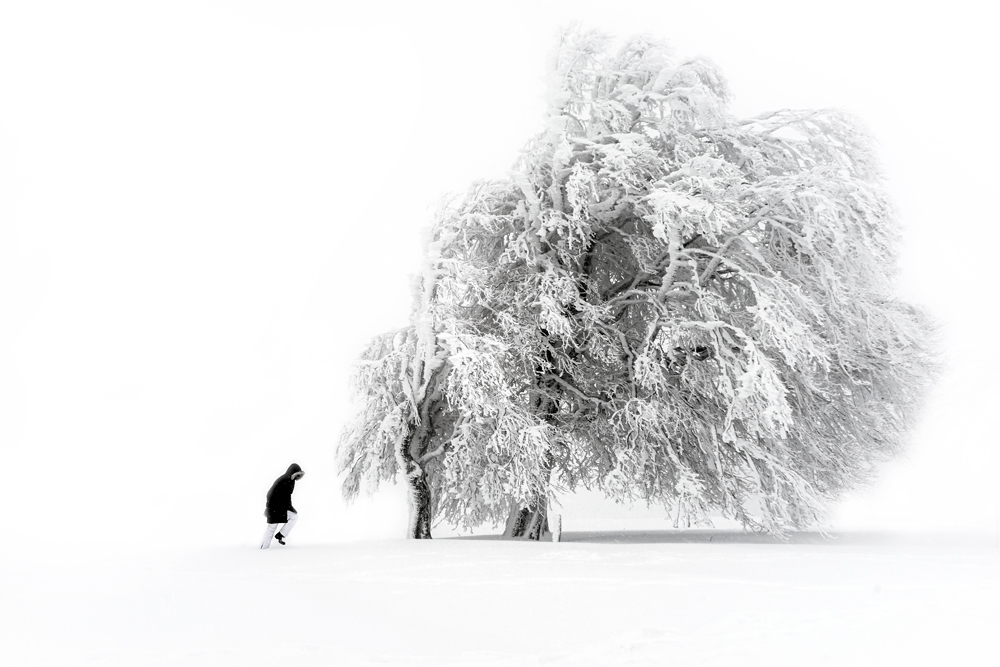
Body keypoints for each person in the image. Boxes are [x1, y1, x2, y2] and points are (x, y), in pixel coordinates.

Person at [260, 463, 304, 549]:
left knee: (294, 517)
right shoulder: (282, 480)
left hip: (282, 508)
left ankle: (280, 535)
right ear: (292, 472)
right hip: (274, 507)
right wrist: (268, 507)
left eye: (298, 475)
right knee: (271, 528)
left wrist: (291, 508)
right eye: (296, 474)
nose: (297, 477)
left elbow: (288, 496)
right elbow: (269, 494)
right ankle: (263, 549)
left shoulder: (292, 481)